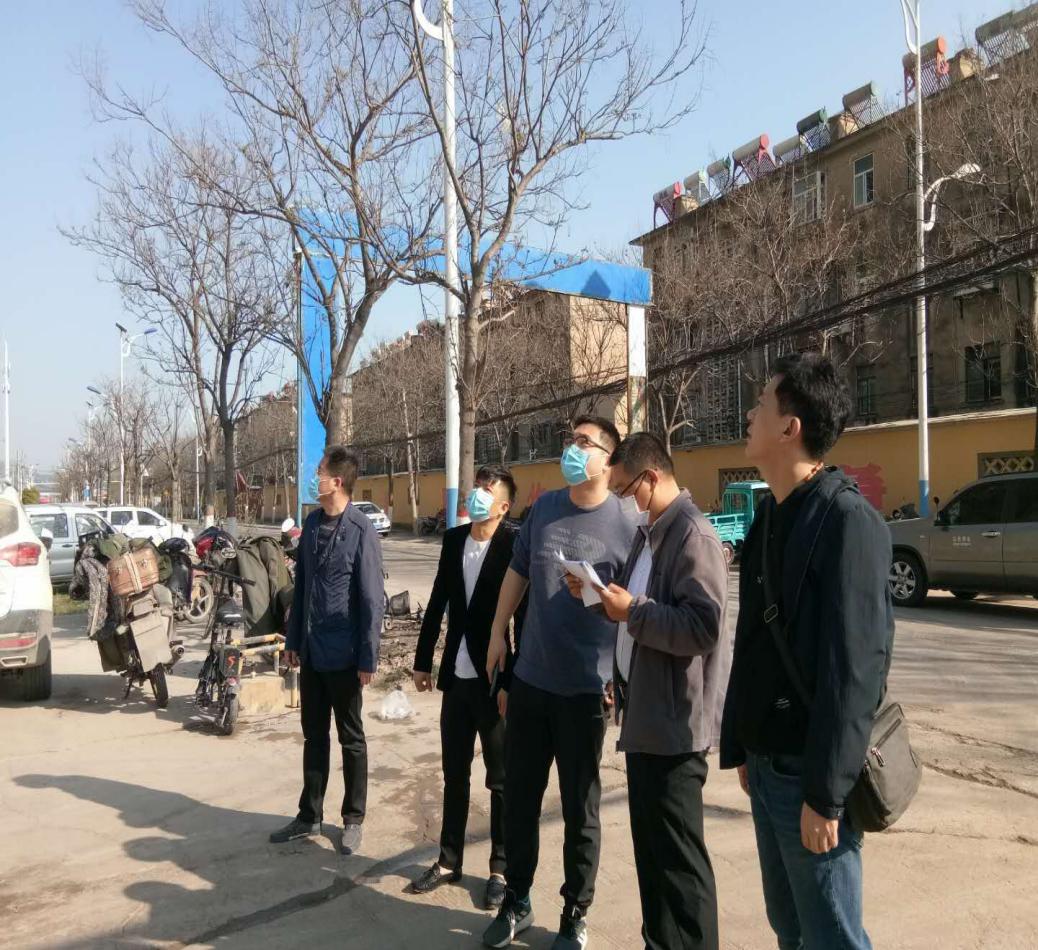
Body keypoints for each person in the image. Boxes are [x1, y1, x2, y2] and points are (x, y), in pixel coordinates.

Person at [719, 353, 894, 950]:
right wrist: (743, 742)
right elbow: (753, 643)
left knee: (832, 937)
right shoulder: (769, 514)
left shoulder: (848, 521)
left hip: (809, 774)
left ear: (790, 427)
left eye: (761, 404)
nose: (750, 415)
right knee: (790, 927)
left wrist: (825, 794)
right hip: (767, 764)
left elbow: (856, 672)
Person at [564, 432, 730, 950]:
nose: (622, 500)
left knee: (679, 865)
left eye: (624, 490)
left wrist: (631, 610)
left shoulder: (692, 536)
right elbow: (634, 607)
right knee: (653, 858)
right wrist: (597, 597)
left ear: (651, 478)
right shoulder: (650, 533)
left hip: (675, 728)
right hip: (644, 719)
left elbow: (702, 626)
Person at [482, 416, 638, 950]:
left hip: (587, 690)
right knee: (520, 799)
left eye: (583, 442)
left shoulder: (626, 523)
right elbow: (518, 572)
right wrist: (498, 631)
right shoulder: (545, 508)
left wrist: (621, 676)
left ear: (608, 459)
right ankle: (517, 899)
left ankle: (575, 913)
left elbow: (635, 608)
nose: (572, 448)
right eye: (571, 439)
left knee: (580, 809)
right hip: (531, 680)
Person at [409, 466, 523, 910]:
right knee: (454, 774)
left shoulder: (513, 545)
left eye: (487, 491)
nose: (478, 495)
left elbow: (521, 618)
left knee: (501, 780)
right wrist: (423, 661)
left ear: (504, 506)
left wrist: (511, 682)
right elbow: (438, 600)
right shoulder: (455, 540)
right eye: (477, 487)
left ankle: (500, 868)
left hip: (494, 679)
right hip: (456, 678)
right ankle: (448, 860)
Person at [270, 446, 385, 855]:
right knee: (313, 736)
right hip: (313, 653)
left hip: (346, 654)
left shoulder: (361, 530)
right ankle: (310, 814)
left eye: (318, 472)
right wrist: (293, 641)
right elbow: (301, 588)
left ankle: (353, 819)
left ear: (336, 482)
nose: (312, 477)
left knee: (351, 738)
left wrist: (368, 657)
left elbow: (372, 599)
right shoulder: (313, 523)